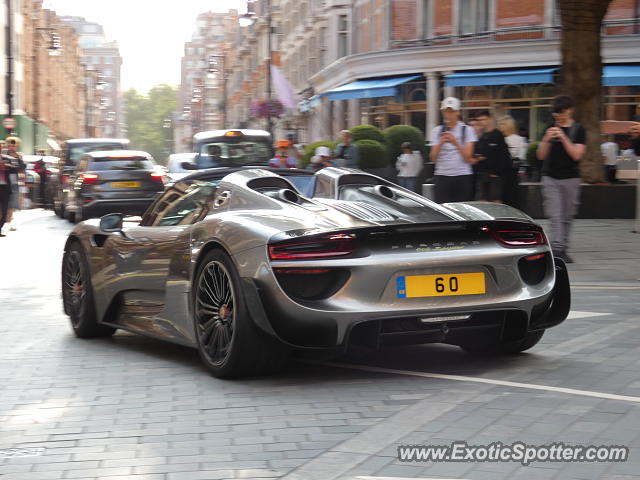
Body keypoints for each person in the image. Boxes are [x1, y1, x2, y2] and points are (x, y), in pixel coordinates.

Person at [536, 95, 586, 263]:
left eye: (562, 113)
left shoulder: (578, 130)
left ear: (570, 110)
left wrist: (563, 137)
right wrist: (546, 139)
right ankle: (557, 249)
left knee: (567, 216)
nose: (559, 117)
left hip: (571, 178)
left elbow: (576, 155)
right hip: (551, 178)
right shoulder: (549, 128)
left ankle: (563, 247)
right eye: (556, 114)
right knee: (555, 214)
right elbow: (540, 155)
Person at [429, 97, 478, 203]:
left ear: (458, 112)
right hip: (442, 175)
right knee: (443, 210)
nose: (448, 114)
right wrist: (441, 142)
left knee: (462, 210)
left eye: (452, 111)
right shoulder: (436, 131)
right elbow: (433, 158)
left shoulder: (467, 130)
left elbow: (469, 158)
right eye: (446, 111)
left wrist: (455, 142)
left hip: (462, 175)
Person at [473, 111, 511, 203]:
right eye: (479, 120)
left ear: (489, 119)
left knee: (495, 201)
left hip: (495, 175)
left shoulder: (498, 135)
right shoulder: (480, 136)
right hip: (482, 174)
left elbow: (504, 155)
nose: (482, 122)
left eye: (484, 119)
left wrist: (497, 172)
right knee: (481, 201)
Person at [498, 115, 527, 206]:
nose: (500, 126)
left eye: (502, 124)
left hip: (512, 173)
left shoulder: (519, 139)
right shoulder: (499, 139)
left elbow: (521, 156)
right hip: (501, 173)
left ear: (508, 125)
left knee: (512, 198)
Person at [3, 136, 25, 231]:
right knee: (4, 202)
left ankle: (9, 221)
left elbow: (22, 168)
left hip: (14, 181)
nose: (12, 147)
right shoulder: (3, 154)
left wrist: (19, 159)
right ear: (8, 146)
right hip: (5, 181)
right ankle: (3, 221)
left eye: (14, 146)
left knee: (12, 203)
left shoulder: (18, 156)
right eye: (10, 145)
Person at [0, 154, 19, 236]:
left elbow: (16, 169)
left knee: (4, 212)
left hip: (5, 189)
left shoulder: (6, 159)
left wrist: (7, 165)